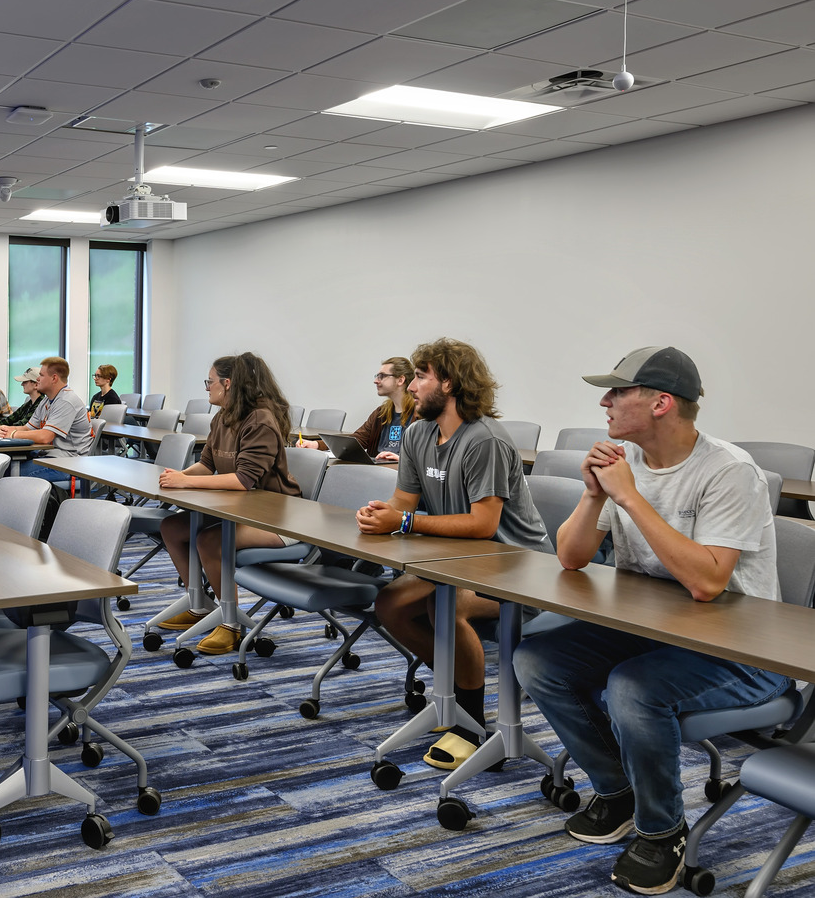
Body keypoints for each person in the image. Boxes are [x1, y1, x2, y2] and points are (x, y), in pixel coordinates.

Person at [512, 346, 785, 896]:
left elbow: (708, 584)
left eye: (618, 391)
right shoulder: (625, 464)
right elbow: (570, 557)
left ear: (661, 402)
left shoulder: (730, 472)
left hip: (743, 651)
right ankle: (619, 791)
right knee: (536, 659)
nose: (604, 401)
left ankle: (665, 830)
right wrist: (593, 496)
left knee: (633, 689)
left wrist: (631, 499)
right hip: (651, 631)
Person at [361, 338, 550, 771]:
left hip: (518, 566)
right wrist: (380, 515)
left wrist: (405, 524)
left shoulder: (484, 441)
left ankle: (469, 722)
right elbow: (403, 503)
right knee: (390, 603)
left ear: (448, 383)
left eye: (421, 377)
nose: (410, 386)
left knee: (448, 606)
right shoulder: (417, 433)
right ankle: (452, 694)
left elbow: (484, 524)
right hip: (458, 558)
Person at [156, 353, 303, 655]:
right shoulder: (222, 416)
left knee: (210, 541)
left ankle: (230, 623)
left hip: (280, 520)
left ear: (228, 384)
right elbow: (206, 465)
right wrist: (178, 476)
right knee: (172, 527)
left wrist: (186, 483)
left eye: (210, 382)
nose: (207, 387)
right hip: (240, 512)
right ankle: (199, 604)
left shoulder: (260, 419)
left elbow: (243, 480)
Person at [0, 356, 93, 483]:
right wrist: (8, 429)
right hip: (51, 456)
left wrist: (13, 434)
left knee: (7, 477)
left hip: (70, 463)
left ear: (54, 378)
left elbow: (46, 437)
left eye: (41, 375)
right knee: (1, 469)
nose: (37, 379)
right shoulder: (47, 400)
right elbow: (27, 427)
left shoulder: (66, 401)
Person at [300, 356, 417, 461]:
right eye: (377, 376)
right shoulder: (381, 413)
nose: (376, 381)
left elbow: (427, 456)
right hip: (379, 471)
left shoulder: (420, 414)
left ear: (400, 380)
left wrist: (402, 460)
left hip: (401, 474)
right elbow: (356, 441)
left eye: (382, 376)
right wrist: (316, 445)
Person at [0, 367, 44, 433]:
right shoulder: (28, 404)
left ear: (36, 385)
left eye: (25, 382)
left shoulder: (41, 404)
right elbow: (7, 421)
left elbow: (21, 427)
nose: (22, 384)